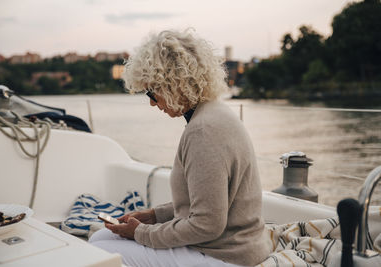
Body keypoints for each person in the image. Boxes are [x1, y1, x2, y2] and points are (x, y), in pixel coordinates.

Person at [89, 29, 272, 267]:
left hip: (226, 256)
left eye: (152, 93)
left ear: (172, 85)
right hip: (236, 246)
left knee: (100, 249)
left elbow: (207, 224)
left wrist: (141, 233)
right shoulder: (214, 113)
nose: (152, 103)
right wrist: (152, 217)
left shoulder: (203, 131)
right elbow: (209, 204)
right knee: (101, 236)